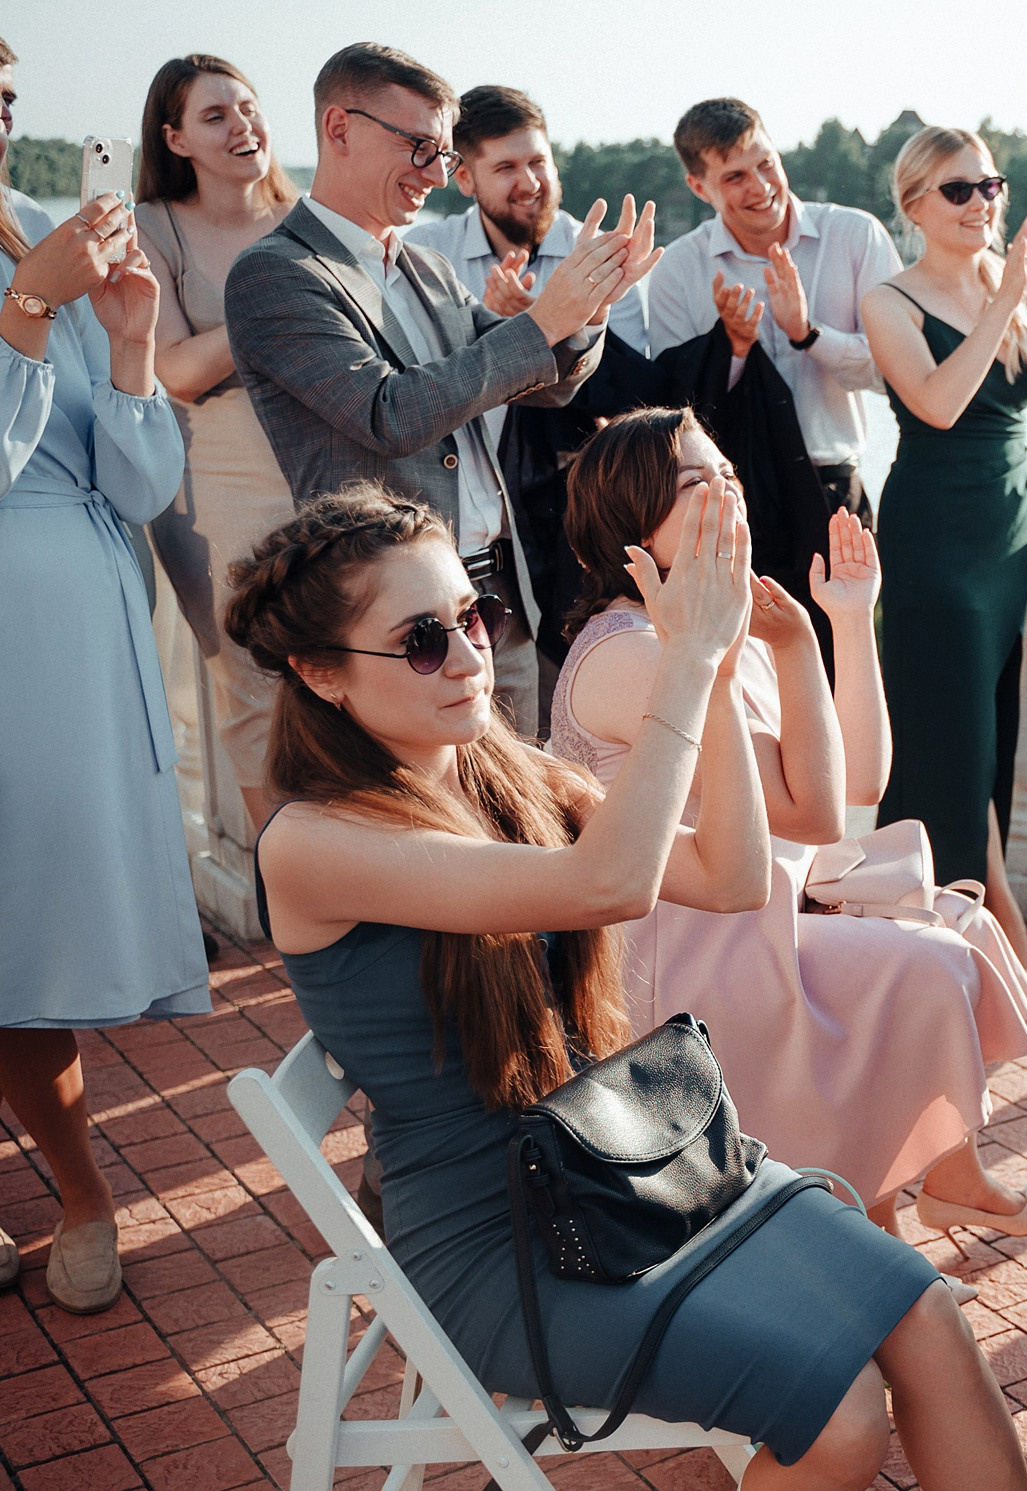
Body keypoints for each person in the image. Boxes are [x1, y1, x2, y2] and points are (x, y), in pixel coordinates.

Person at [239, 481, 1027, 1491]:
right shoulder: (312, 840)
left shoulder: (494, 769)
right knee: (843, 1414)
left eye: (473, 616)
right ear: (323, 675)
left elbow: (733, 872)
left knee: (932, 1317)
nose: (466, 653)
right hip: (502, 1244)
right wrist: (686, 664)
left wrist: (726, 659)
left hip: (621, 1166)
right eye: (422, 638)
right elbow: (611, 883)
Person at [550, 407, 1027, 1246]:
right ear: (630, 528)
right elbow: (815, 810)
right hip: (681, 943)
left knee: (955, 924)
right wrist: (793, 651)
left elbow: (860, 783)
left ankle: (912, 1200)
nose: (724, 491)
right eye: (692, 482)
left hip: (754, 912)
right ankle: (880, 1228)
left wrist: (850, 620)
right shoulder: (632, 652)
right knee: (918, 965)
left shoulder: (721, 629)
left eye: (727, 474)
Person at [226, 40, 656, 739]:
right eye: (421, 147)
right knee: (426, 826)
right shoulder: (277, 274)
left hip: (496, 600)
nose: (437, 173)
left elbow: (538, 384)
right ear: (340, 128)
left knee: (519, 818)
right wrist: (545, 318)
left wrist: (588, 311)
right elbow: (388, 412)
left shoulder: (428, 267)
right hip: (388, 615)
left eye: (447, 155)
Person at [0, 34, 198, 1314]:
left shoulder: (39, 227)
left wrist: (126, 344)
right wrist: (23, 317)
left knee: (33, 932)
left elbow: (141, 486)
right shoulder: (34, 268)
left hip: (66, 636)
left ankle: (82, 1190)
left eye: (6, 91)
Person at [863, 125, 1027, 961]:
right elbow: (937, 403)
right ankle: (976, 909)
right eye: (959, 190)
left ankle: (977, 906)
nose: (980, 204)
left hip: (1006, 527)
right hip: (933, 532)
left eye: (989, 186)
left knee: (994, 726)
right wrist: (1003, 303)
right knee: (947, 735)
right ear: (916, 205)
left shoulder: (1019, 284)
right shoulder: (889, 301)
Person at [409, 85, 661, 684]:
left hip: (566, 507)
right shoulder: (427, 256)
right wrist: (511, 333)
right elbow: (426, 389)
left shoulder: (600, 254)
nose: (530, 181)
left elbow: (631, 396)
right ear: (465, 180)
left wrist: (564, 321)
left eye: (538, 161)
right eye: (505, 167)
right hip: (462, 513)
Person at [646, 97, 902, 663]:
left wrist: (809, 333)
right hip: (730, 508)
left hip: (832, 492)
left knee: (843, 669)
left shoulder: (855, 237)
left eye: (766, 163)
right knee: (743, 677)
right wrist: (729, 349)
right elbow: (670, 411)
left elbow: (897, 375)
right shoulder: (679, 270)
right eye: (735, 175)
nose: (760, 185)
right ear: (699, 187)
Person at [132, 52, 300, 831]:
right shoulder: (153, 228)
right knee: (251, 693)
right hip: (215, 487)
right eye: (215, 115)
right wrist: (279, 313)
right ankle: (292, 890)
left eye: (249, 106)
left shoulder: (305, 219)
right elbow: (173, 370)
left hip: (323, 471)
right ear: (175, 139)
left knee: (349, 678)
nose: (243, 125)